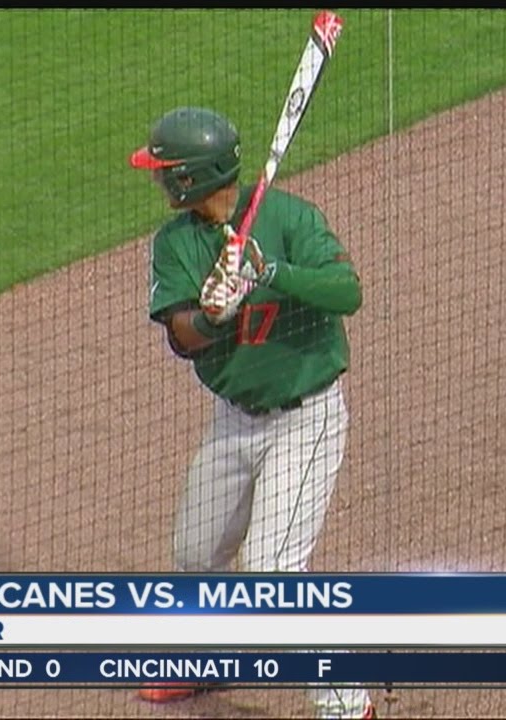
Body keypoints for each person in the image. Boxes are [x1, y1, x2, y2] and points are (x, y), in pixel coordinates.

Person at [128, 106, 374, 720]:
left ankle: (349, 703)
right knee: (195, 550)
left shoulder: (288, 218)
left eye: (163, 170)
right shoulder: (176, 244)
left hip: (306, 421)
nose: (156, 179)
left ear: (189, 177)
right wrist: (213, 316)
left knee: (273, 570)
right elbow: (181, 338)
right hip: (234, 422)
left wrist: (275, 273)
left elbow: (349, 293)